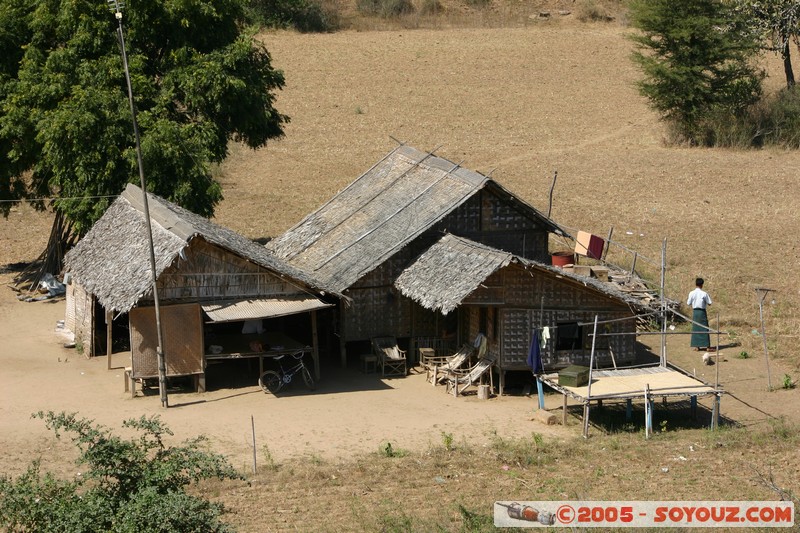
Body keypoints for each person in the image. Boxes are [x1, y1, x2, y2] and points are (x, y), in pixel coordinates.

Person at [687, 277, 712, 351]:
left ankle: (696, 346)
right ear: (702, 285)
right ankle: (707, 346)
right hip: (702, 312)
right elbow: (710, 303)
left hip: (695, 312)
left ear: (696, 284)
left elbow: (688, 303)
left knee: (696, 328)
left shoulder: (691, 293)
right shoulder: (704, 294)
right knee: (704, 328)